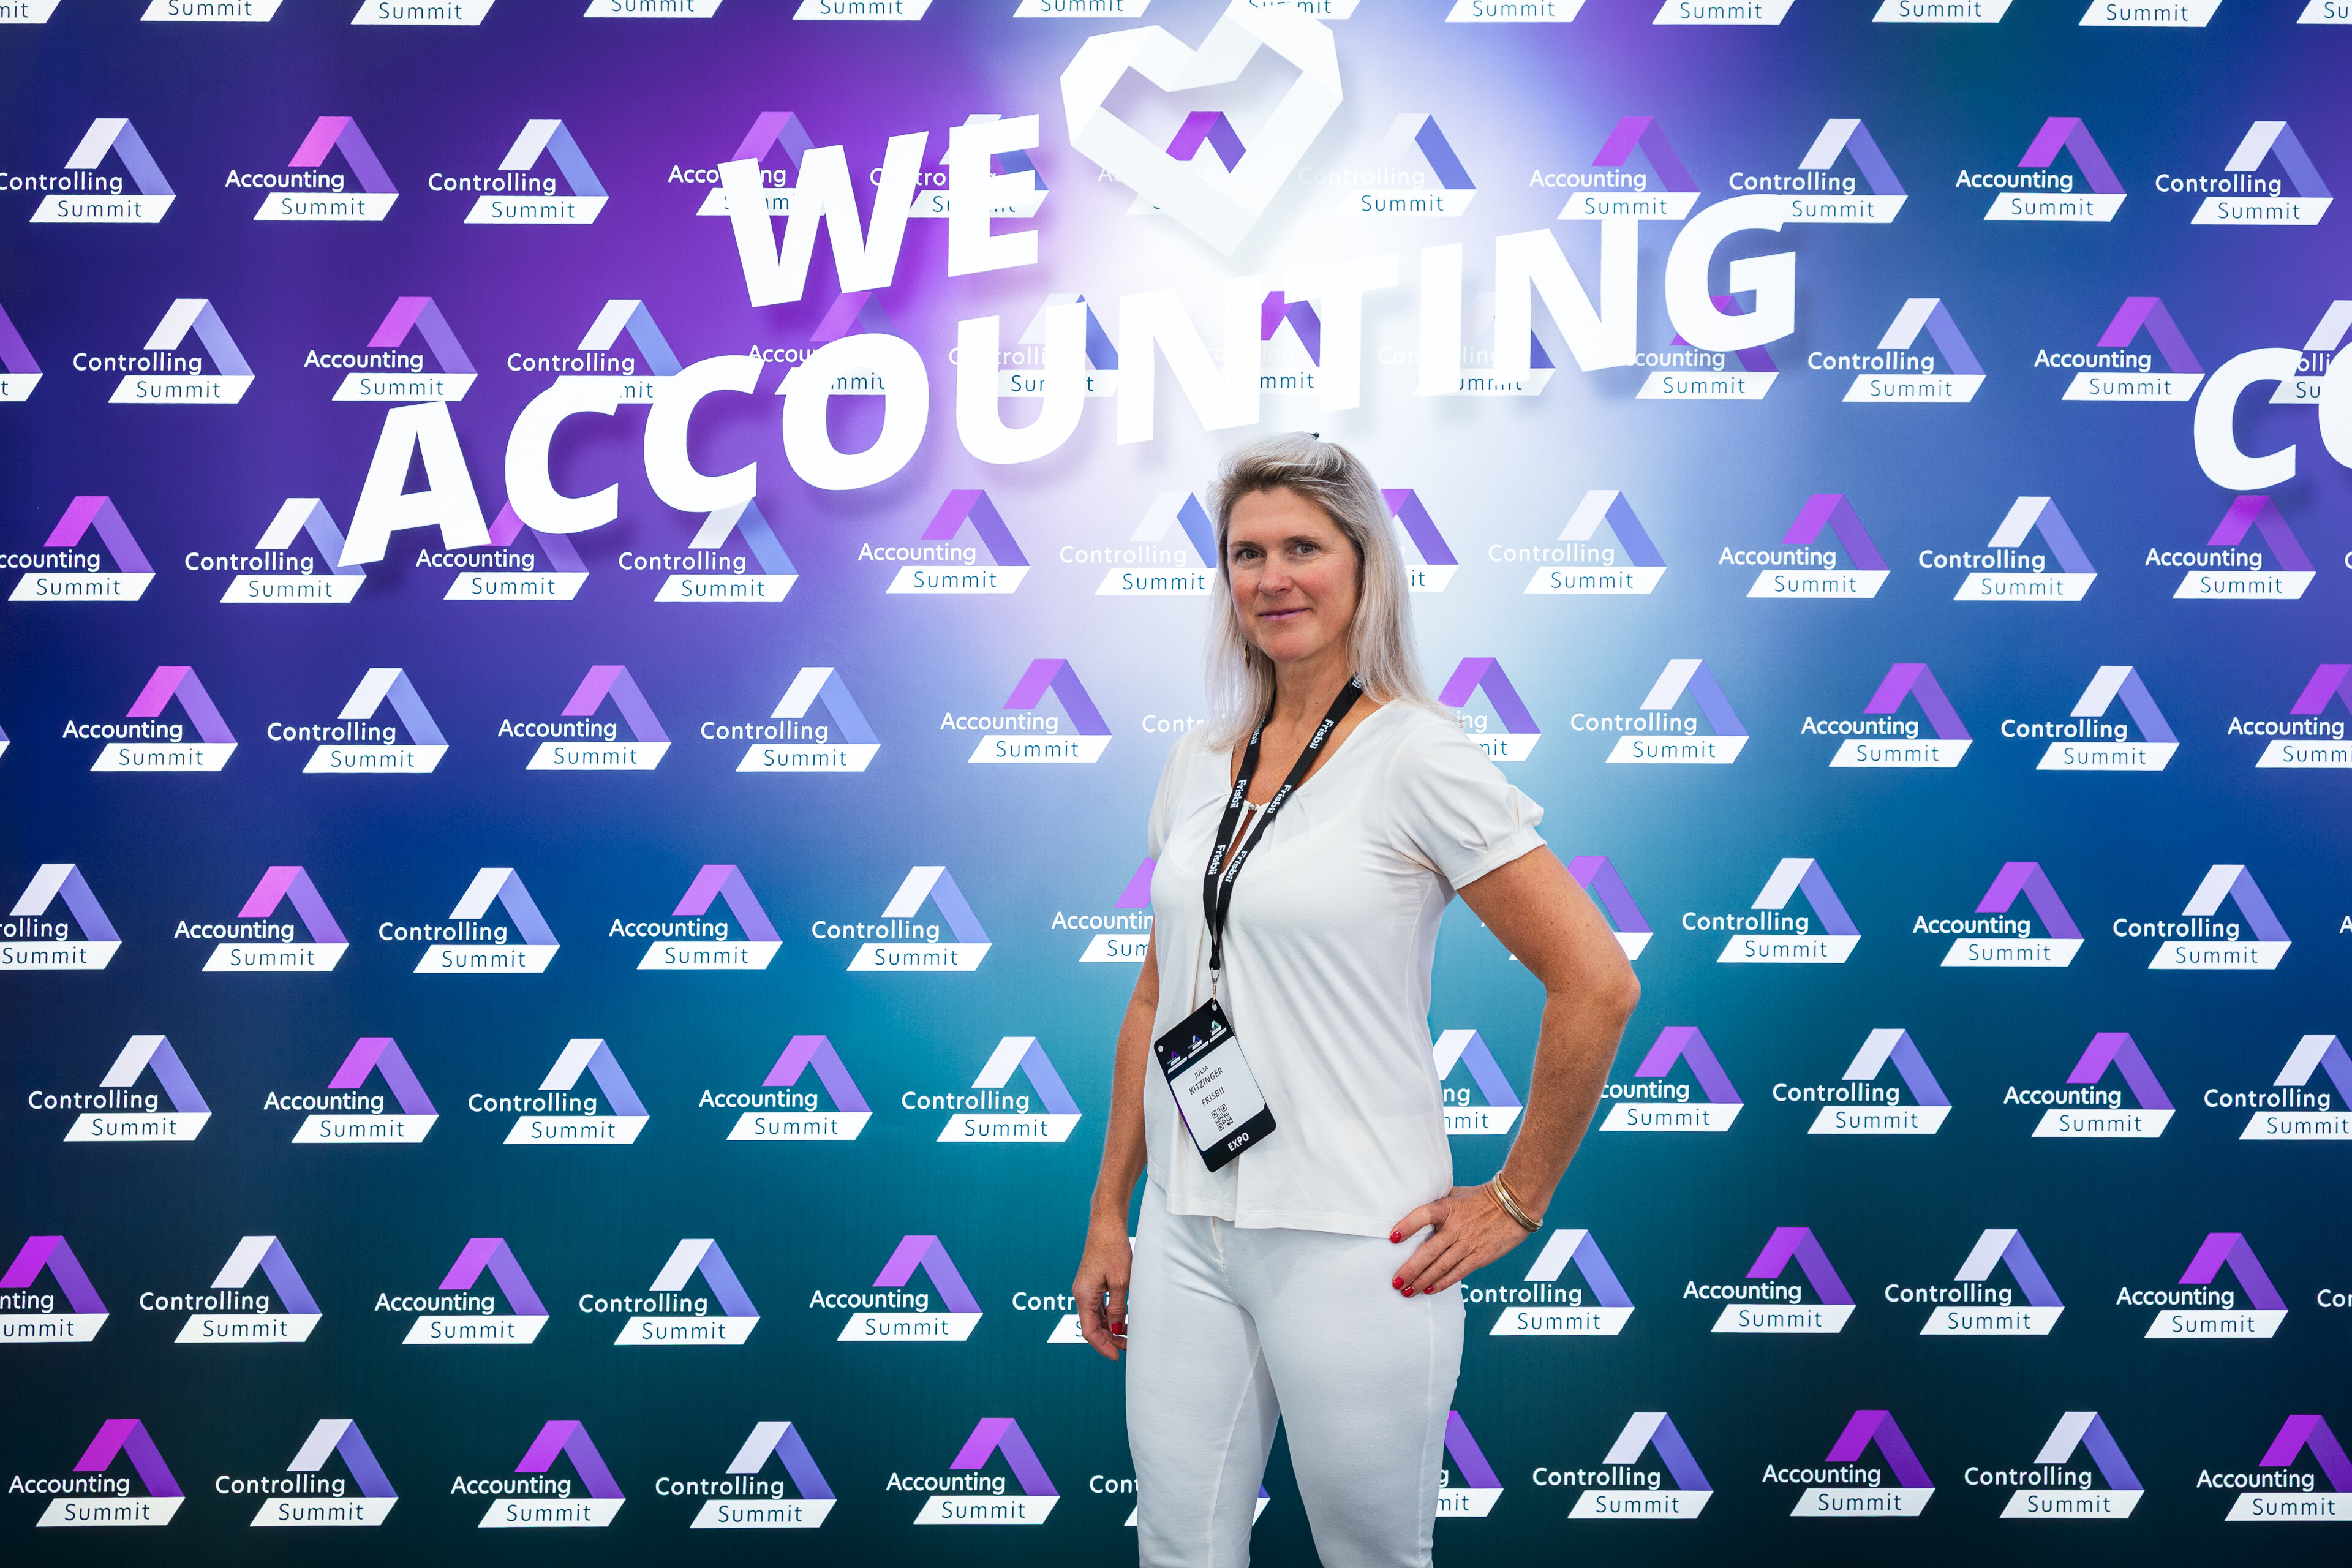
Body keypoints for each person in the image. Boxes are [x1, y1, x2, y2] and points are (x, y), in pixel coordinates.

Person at [1071, 432, 1640, 1567]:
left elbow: (1597, 981)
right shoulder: (1201, 761)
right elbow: (1155, 999)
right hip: (1185, 1229)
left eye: (1303, 548)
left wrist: (1518, 1201)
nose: (1272, 578)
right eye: (1246, 554)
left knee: (1371, 1555)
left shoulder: (1418, 756)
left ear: (1364, 566)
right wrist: (1108, 1214)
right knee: (1179, 1548)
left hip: (1354, 1236)